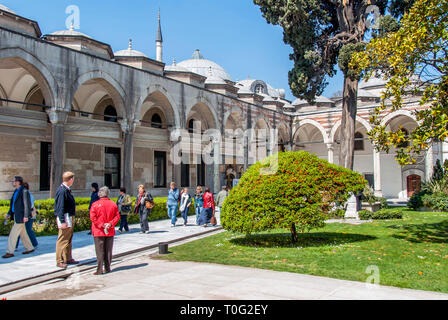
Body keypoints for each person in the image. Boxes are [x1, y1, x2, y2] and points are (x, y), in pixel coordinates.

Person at [90, 186, 120, 275]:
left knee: (100, 251)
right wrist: (110, 224)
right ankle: (108, 267)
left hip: (99, 230)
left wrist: (102, 225)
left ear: (99, 194)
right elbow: (117, 216)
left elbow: (93, 218)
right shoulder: (113, 204)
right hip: (109, 230)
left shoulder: (95, 204)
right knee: (108, 250)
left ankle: (99, 269)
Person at [2, 176, 34, 258]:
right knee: (23, 233)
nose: (12, 182)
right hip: (16, 215)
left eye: (14, 181)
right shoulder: (16, 191)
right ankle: (29, 247)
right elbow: (13, 204)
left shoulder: (24, 191)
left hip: (21, 216)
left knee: (13, 234)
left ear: (18, 182)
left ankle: (10, 251)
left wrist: (26, 216)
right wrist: (9, 213)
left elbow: (27, 204)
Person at [54, 171, 79, 269]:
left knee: (68, 239)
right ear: (70, 179)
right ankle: (59, 260)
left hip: (69, 216)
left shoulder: (66, 190)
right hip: (65, 217)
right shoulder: (62, 191)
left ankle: (68, 257)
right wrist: (62, 221)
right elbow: (60, 207)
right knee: (63, 239)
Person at [15, 182, 38, 249]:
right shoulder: (22, 194)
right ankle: (15, 246)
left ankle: (34, 244)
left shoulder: (28, 194)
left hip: (28, 215)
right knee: (20, 230)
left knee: (27, 229)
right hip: (23, 215)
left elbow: (30, 206)